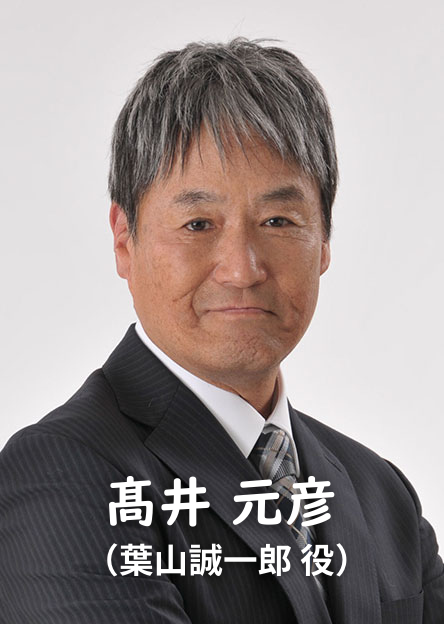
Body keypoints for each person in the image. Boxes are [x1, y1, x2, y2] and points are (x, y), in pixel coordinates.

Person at [0, 38, 442, 624]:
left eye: (278, 220)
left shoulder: (380, 492)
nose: (242, 269)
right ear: (125, 239)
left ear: (324, 241)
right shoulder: (63, 475)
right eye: (198, 223)